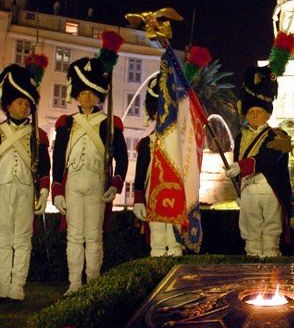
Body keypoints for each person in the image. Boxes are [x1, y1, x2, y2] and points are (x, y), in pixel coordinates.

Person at [52, 54, 128, 295]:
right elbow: (58, 158)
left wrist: (115, 184)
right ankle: (75, 283)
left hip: (97, 181)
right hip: (73, 181)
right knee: (74, 236)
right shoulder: (66, 123)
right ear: (77, 94)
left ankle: (93, 281)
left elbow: (122, 159)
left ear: (98, 95)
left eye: (91, 93)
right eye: (83, 92)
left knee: (94, 236)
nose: (86, 96)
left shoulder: (110, 122)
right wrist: (56, 190)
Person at [225, 64, 293, 258]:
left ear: (268, 114)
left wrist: (240, 167)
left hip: (270, 188)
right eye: (251, 112)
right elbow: (237, 157)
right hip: (248, 189)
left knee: (272, 231)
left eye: (259, 112)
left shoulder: (280, 135)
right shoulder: (240, 136)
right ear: (246, 113)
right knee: (251, 233)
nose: (255, 115)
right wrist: (239, 186)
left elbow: (269, 159)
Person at [0, 64, 50, 301]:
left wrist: (43, 192)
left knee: (22, 239)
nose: (24, 107)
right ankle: (1, 285)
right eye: (19, 102)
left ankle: (17, 286)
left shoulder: (36, 135)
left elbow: (44, 167)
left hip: (25, 188)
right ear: (8, 105)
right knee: (1, 239)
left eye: (27, 104)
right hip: (1, 188)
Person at [131, 75, 184, 257]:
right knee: (157, 241)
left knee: (175, 242)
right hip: (153, 196)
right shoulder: (147, 142)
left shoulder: (182, 143)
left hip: (177, 197)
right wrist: (138, 199)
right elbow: (140, 175)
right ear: (153, 113)